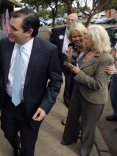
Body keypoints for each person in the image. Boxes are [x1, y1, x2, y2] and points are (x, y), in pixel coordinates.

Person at [0, 8, 62, 156]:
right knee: (8, 132)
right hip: (8, 103)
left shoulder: (49, 50)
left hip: (32, 108)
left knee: (28, 147)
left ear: (28, 32)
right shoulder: (4, 43)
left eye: (14, 28)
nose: (8, 30)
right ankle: (16, 146)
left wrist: (45, 106)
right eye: (9, 26)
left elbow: (56, 81)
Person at [61, 25, 113, 156]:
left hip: (93, 98)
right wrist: (68, 60)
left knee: (87, 127)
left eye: (86, 37)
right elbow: (76, 67)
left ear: (96, 39)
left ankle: (85, 151)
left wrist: (78, 73)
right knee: (72, 119)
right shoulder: (86, 51)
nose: (83, 39)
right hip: (78, 91)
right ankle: (69, 139)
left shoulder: (105, 58)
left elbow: (98, 85)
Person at [50, 13, 78, 106]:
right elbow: (51, 45)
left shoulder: (78, 33)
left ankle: (67, 99)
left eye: (72, 20)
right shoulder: (57, 31)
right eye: (68, 19)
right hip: (58, 58)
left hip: (70, 60)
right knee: (55, 79)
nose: (69, 21)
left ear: (76, 21)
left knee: (69, 81)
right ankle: (51, 97)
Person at [105, 43, 117, 123]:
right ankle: (116, 114)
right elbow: (114, 50)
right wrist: (110, 61)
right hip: (115, 71)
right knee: (114, 94)